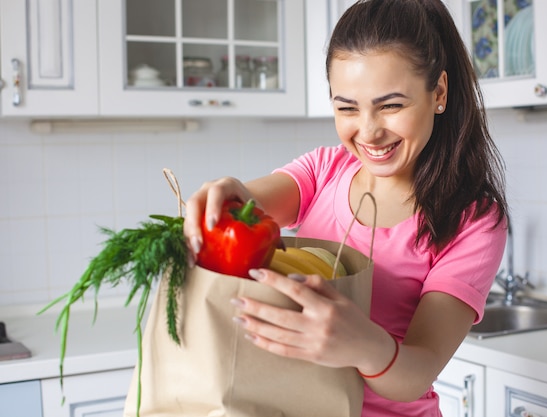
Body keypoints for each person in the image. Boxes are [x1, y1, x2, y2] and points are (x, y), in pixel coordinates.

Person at [183, 0, 508, 415]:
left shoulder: (473, 220)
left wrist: (361, 343)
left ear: (438, 92)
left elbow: (417, 373)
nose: (369, 131)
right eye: (347, 107)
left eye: (391, 105)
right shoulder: (323, 170)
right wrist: (226, 193)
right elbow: (248, 201)